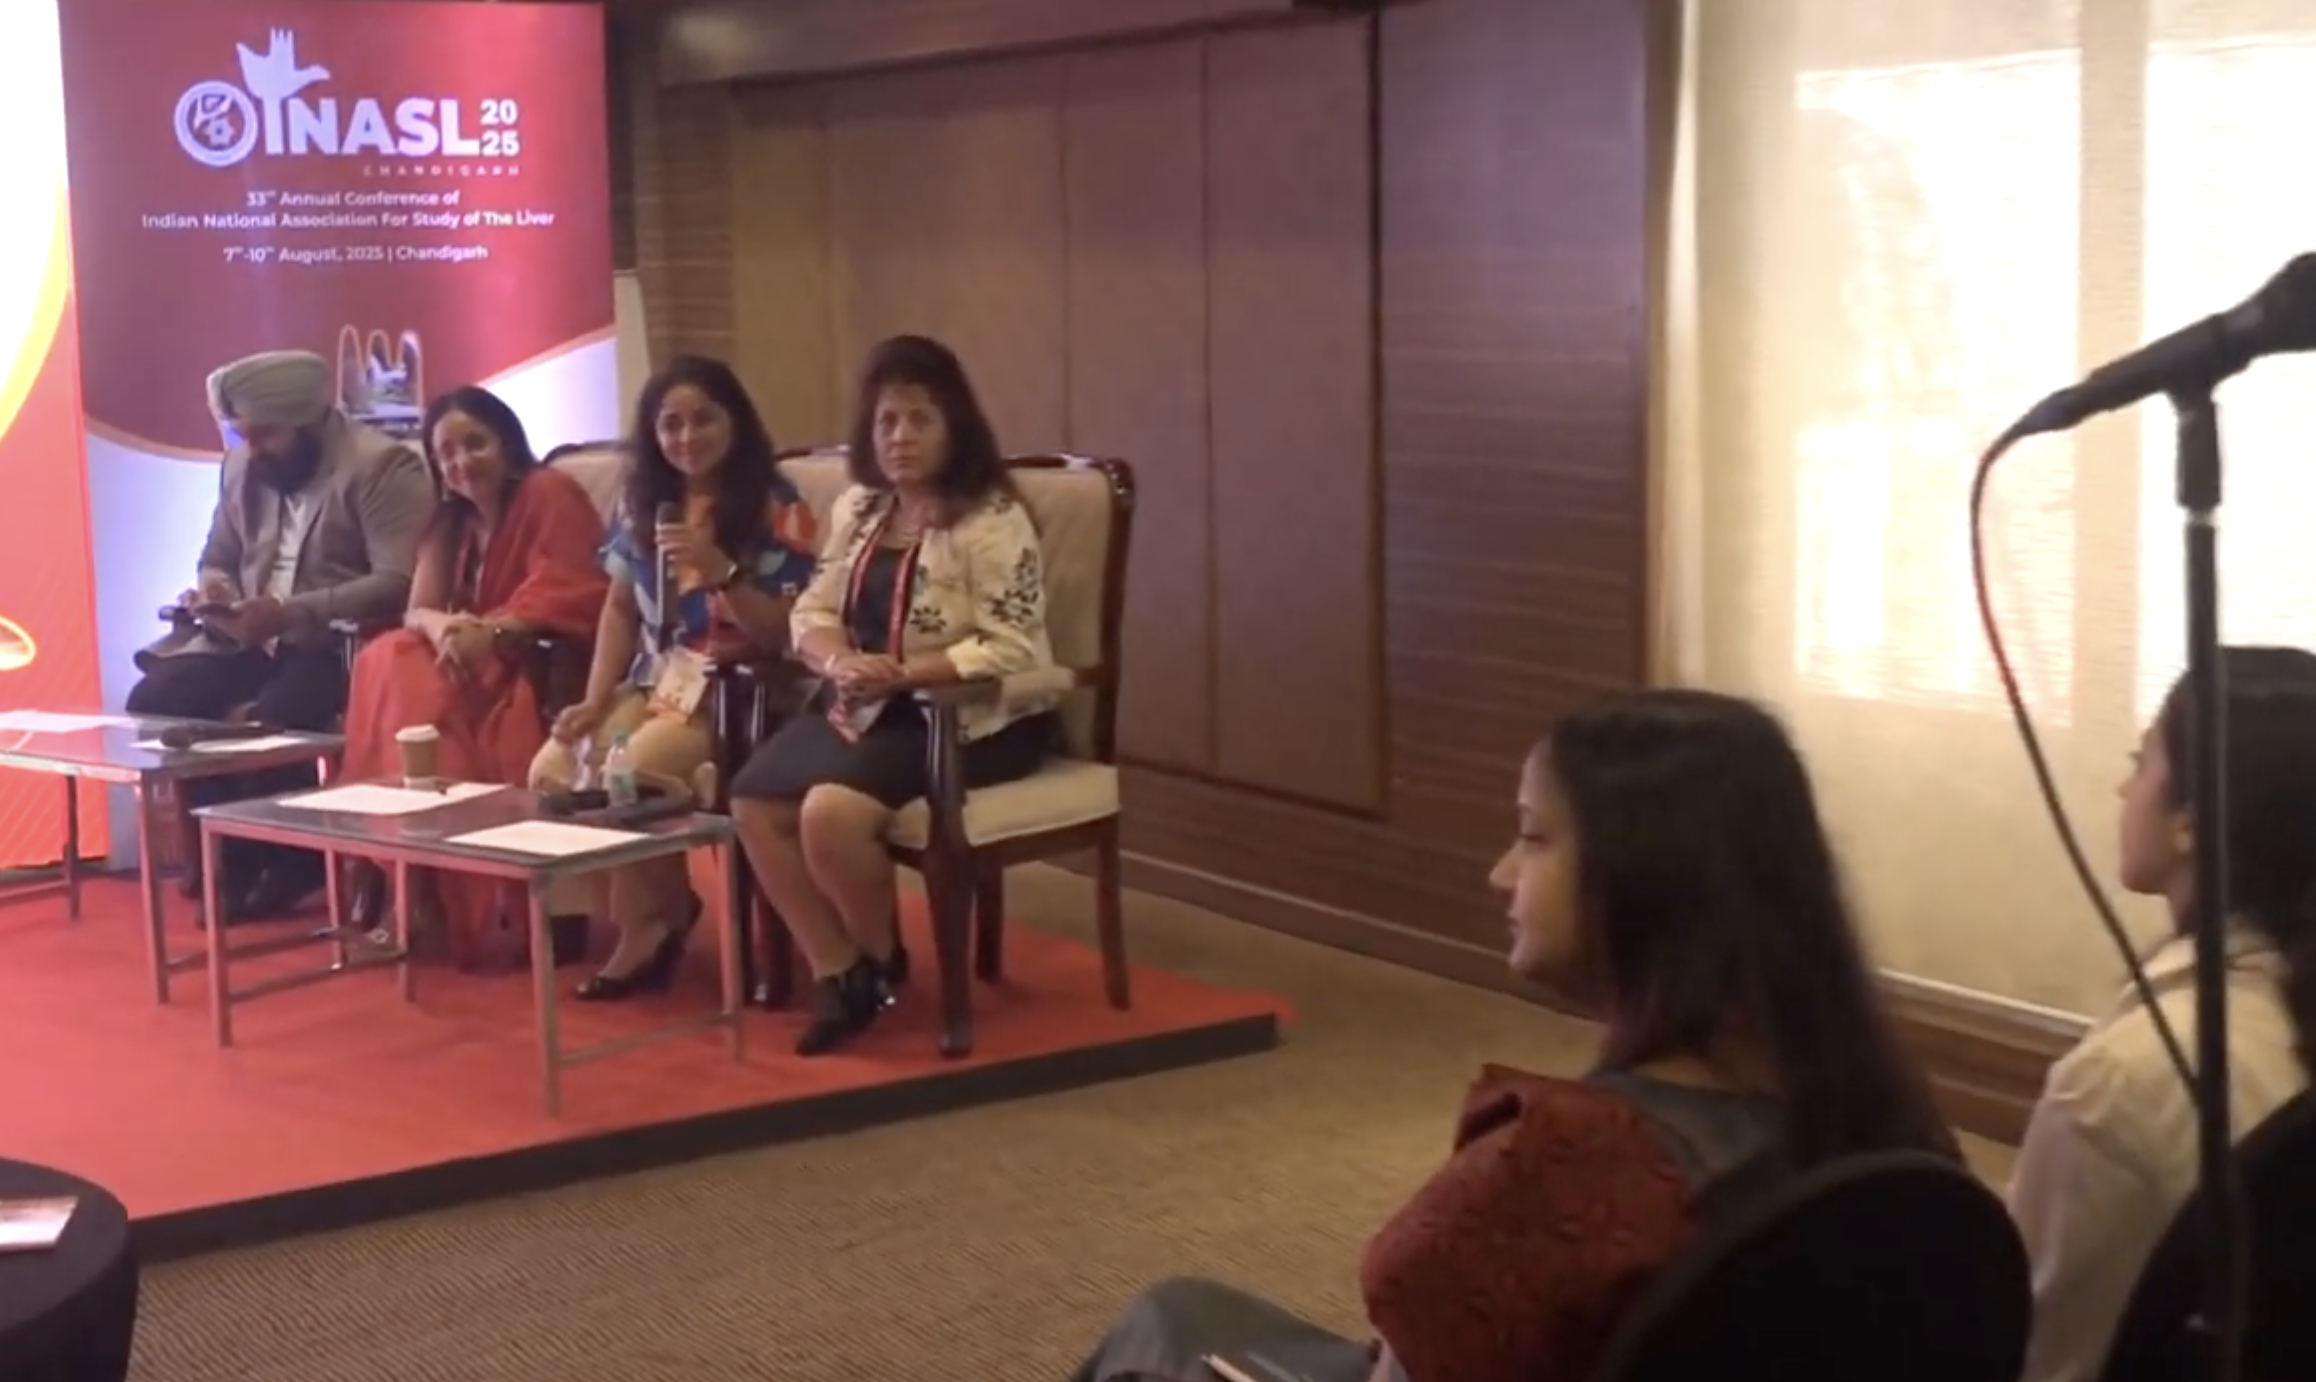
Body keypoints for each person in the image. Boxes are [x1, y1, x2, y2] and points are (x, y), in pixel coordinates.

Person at [1064, 690, 1958, 1382]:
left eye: (1532, 837)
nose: (1500, 873)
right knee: (1188, 1310)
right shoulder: (1896, 1129)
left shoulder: (1566, 1165)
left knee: (1162, 1333)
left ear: (1643, 879)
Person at [2008, 647, 2316, 1382]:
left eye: (2140, 761)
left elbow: (2038, 1353)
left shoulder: (2118, 1083)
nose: (2123, 787)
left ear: (2191, 822)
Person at [729, 335, 1059, 1057]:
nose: (900, 437)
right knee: (753, 801)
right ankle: (841, 968)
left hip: (969, 717)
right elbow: (812, 610)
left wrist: (905, 674)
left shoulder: (991, 520)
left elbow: (1014, 647)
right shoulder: (860, 507)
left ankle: (882, 962)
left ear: (954, 428)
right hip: (867, 701)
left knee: (829, 813)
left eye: (919, 419)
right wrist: (839, 658)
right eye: (886, 421)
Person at [527, 356, 818, 997]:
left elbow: (787, 633)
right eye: (671, 424)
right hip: (654, 683)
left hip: (738, 691)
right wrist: (594, 699)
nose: (687, 438)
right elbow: (619, 609)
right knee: (553, 767)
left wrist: (722, 571)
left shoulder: (777, 504)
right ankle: (655, 909)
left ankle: (649, 925)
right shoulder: (645, 503)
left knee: (634, 770)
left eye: (704, 420)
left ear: (735, 421)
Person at [131, 349, 434, 918]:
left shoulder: (381, 466)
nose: (253, 449)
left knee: (269, 721)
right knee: (158, 700)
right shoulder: (242, 466)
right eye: (243, 435)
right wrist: (215, 590)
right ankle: (235, 859)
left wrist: (288, 612)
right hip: (248, 637)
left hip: (335, 645)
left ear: (309, 422)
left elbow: (398, 582)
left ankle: (290, 858)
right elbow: (217, 554)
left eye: (265, 435)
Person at [338, 386, 609, 968]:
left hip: (536, 662)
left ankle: (423, 893)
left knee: (406, 678)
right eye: (447, 453)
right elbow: (418, 609)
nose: (462, 462)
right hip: (463, 658)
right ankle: (421, 885)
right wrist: (445, 628)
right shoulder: (450, 521)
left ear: (506, 442)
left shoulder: (547, 492)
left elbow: (576, 589)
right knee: (391, 660)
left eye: (475, 444)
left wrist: (492, 631)